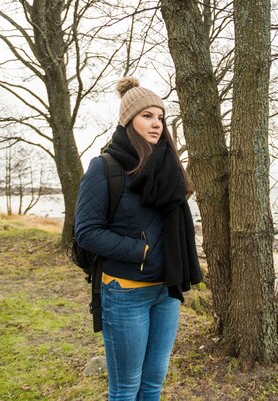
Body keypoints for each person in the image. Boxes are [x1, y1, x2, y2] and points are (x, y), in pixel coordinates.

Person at [74, 76, 202, 401]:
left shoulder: (168, 167)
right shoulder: (104, 168)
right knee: (126, 389)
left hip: (166, 292)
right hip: (125, 294)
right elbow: (86, 232)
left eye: (160, 117)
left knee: (153, 386)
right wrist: (140, 251)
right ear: (129, 120)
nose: (157, 123)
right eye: (147, 116)